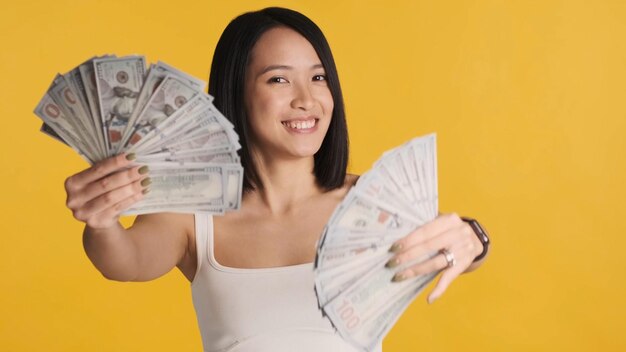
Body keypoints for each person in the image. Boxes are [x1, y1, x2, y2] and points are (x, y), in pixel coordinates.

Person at [64, 7, 489, 352]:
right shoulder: (194, 213)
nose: (306, 99)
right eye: (279, 79)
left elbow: (450, 242)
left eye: (319, 78)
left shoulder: (372, 202)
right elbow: (125, 261)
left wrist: (473, 238)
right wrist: (100, 222)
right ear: (237, 93)